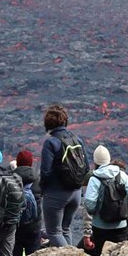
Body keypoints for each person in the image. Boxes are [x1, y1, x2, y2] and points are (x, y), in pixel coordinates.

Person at [37, 105, 86, 247]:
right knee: (65, 229)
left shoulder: (51, 143)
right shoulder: (77, 139)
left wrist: (43, 190)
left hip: (56, 194)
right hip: (76, 193)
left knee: (54, 232)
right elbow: (86, 167)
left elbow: (45, 171)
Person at [80, 146, 128, 250]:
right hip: (121, 226)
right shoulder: (122, 175)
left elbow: (90, 206)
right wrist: (123, 207)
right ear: (109, 159)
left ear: (95, 161)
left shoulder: (94, 179)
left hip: (100, 227)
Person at [11, 150, 45, 256]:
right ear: (31, 163)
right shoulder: (38, 179)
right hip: (34, 226)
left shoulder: (10, 179)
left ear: (18, 162)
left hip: (15, 226)